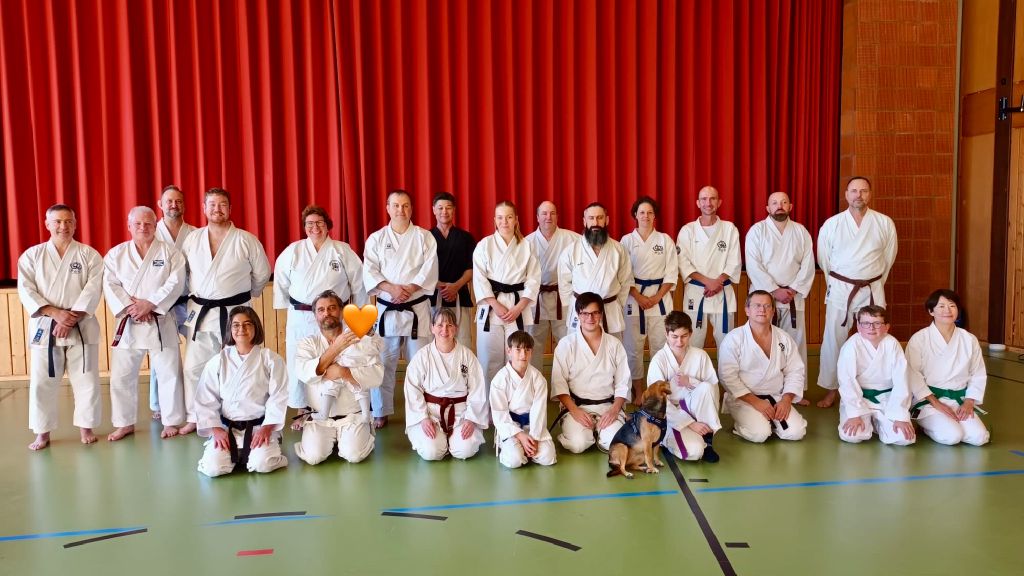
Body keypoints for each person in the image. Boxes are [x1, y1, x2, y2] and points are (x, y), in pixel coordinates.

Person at [180, 188, 271, 434]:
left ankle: (234, 415)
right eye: (212, 205)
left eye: (222, 205)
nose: (217, 209)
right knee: (193, 367)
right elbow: (184, 273)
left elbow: (262, 274)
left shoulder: (245, 239)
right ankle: (195, 416)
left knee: (235, 366)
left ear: (230, 209)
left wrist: (243, 298)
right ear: (203, 208)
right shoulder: (192, 239)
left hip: (235, 313)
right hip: (200, 311)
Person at [17, 205, 104, 450]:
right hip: (46, 326)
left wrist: (70, 318)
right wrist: (55, 313)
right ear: (47, 224)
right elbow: (26, 289)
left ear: (75, 224)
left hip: (81, 325)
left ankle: (86, 427)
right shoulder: (32, 256)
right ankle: (42, 432)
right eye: (57, 222)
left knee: (86, 379)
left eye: (68, 222)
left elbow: (93, 288)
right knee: (42, 381)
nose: (63, 226)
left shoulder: (89, 255)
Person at [103, 206, 187, 441]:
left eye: (148, 223)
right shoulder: (115, 254)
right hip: (129, 321)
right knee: (122, 375)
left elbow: (175, 283)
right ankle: (124, 423)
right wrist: (133, 308)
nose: (143, 227)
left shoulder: (170, 253)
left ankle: (170, 421)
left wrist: (150, 304)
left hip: (160, 319)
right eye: (138, 224)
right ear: (129, 226)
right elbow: (110, 284)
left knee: (169, 372)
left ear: (155, 225)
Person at [274, 205, 365, 413]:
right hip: (301, 314)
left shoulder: (341, 250)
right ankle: (302, 407)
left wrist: (358, 313)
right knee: (300, 359)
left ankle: (332, 406)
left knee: (334, 356)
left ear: (327, 226)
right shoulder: (293, 251)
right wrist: (287, 304)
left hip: (332, 316)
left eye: (320, 223)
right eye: (310, 224)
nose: (315, 228)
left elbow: (358, 283)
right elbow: (280, 280)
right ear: (304, 227)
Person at [816, 176, 898, 408]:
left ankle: (874, 386)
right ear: (846, 194)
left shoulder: (884, 223)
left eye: (863, 191)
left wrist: (875, 282)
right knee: (834, 338)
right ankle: (832, 389)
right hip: (841, 286)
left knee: (875, 337)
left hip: (872, 287)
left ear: (869, 194)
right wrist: (839, 280)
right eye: (854, 191)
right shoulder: (832, 224)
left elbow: (888, 258)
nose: (858, 195)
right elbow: (824, 259)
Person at [363, 189, 439, 428]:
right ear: (387, 208)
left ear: (411, 209)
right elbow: (370, 270)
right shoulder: (376, 239)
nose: (401, 210)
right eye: (395, 205)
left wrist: (411, 287)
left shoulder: (424, 236)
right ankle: (381, 410)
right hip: (387, 309)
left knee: (421, 363)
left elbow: (430, 268)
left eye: (405, 205)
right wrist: (390, 288)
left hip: (417, 307)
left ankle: (422, 411)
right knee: (384, 362)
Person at [194, 306, 288, 477]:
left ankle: (275, 453)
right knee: (213, 469)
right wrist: (216, 430)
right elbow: (205, 398)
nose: (241, 329)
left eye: (247, 324)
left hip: (259, 427)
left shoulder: (270, 359)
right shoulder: (218, 361)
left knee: (263, 465)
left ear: (256, 327)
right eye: (236, 325)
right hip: (226, 428)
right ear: (230, 329)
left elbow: (278, 396)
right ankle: (228, 455)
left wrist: (267, 428)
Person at [293, 290, 383, 465]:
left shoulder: (360, 338)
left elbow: (376, 375)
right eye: (321, 310)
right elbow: (304, 373)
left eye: (332, 308)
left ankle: (361, 430)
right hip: (320, 416)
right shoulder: (308, 343)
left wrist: (344, 372)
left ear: (341, 311)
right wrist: (336, 348)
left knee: (354, 455)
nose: (327, 313)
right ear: (315, 315)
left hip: (353, 416)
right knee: (314, 457)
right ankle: (329, 437)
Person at [718, 291, 807, 442]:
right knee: (760, 434)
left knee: (796, 433)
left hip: (775, 397)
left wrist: (786, 400)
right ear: (747, 310)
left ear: (773, 310)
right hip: (743, 398)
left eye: (767, 306)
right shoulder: (734, 339)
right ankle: (741, 425)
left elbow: (795, 371)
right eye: (757, 305)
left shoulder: (784, 338)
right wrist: (756, 402)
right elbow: (727, 376)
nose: (762, 310)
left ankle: (770, 421)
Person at [905, 289, 989, 446]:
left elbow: (978, 373)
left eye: (952, 306)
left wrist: (969, 402)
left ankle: (952, 423)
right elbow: (913, 375)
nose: (948, 311)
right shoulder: (919, 339)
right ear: (931, 311)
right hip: (930, 402)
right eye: (941, 306)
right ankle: (925, 427)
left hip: (960, 401)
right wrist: (936, 403)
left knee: (979, 438)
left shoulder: (969, 339)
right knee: (952, 436)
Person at [404, 308, 489, 460]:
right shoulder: (422, 356)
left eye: (449, 325)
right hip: (431, 413)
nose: (445, 330)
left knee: (465, 451)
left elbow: (478, 389)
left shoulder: (467, 355)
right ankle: (442, 442)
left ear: (455, 329)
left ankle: (452, 441)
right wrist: (423, 418)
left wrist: (471, 418)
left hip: (461, 413)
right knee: (432, 452)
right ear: (432, 328)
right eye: (440, 325)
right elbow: (412, 389)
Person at [550, 292, 629, 453]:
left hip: (608, 405)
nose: (590, 318)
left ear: (601, 314)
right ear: (578, 315)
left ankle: (601, 432)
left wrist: (614, 410)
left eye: (595, 313)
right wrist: (574, 410)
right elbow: (559, 384)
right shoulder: (566, 345)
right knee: (578, 444)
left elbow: (623, 383)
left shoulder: (614, 345)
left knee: (615, 443)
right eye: (585, 313)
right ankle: (586, 432)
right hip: (577, 406)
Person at [744, 191, 815, 370]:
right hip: (763, 297)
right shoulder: (757, 231)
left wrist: (793, 289)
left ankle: (795, 390)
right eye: (774, 203)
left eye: (784, 202)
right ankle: (763, 387)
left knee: (794, 343)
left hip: (793, 296)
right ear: (768, 208)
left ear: (790, 207)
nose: (779, 206)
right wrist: (774, 291)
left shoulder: (801, 232)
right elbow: (753, 265)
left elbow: (808, 264)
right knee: (761, 340)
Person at [473, 201, 540, 383]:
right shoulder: (484, 245)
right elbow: (479, 278)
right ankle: (489, 409)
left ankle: (515, 407)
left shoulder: (527, 246)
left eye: (509, 217)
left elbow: (534, 279)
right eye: (500, 218)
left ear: (516, 220)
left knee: (517, 360)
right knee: (489, 361)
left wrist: (519, 307)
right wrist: (494, 304)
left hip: (518, 308)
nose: (505, 222)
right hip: (491, 308)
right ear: (495, 220)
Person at [621, 196, 677, 401]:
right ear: (635, 215)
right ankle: (636, 389)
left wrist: (655, 297)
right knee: (632, 347)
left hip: (660, 301)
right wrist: (638, 296)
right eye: (642, 212)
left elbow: (672, 273)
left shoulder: (665, 240)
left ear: (655, 216)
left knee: (660, 345)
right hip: (633, 299)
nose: (646, 216)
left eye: (650, 212)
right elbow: (623, 274)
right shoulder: (626, 241)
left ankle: (656, 389)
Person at [646, 312, 721, 462]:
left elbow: (712, 391)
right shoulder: (659, 360)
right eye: (675, 336)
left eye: (684, 336)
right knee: (695, 452)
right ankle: (664, 439)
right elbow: (657, 402)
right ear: (666, 334)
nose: (679, 342)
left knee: (706, 387)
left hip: (695, 411)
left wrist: (690, 382)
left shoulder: (700, 356)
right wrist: (690, 424)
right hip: (669, 416)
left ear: (691, 334)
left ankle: (708, 440)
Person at [836, 305, 915, 445]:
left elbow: (902, 380)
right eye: (866, 323)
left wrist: (900, 415)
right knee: (852, 436)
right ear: (858, 326)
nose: (871, 328)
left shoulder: (892, 344)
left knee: (904, 438)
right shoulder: (851, 346)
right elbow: (846, 381)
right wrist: (855, 413)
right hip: (859, 397)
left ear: (886, 327)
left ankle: (878, 424)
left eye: (877, 323)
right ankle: (867, 420)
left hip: (886, 397)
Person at [150, 184, 196, 420]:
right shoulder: (152, 233)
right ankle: (158, 404)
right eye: (169, 201)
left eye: (178, 201)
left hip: (189, 302)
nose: (173, 205)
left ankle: (197, 400)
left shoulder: (196, 233)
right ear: (160, 204)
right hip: (161, 303)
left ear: (184, 205)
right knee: (161, 353)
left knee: (197, 351)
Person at [676, 186, 742, 349]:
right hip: (696, 292)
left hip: (722, 291)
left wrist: (717, 282)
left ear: (719, 202)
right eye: (704, 199)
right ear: (698, 203)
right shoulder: (687, 230)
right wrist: (708, 282)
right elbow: (682, 262)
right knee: (692, 344)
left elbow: (734, 260)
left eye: (712, 199)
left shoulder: (729, 229)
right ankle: (693, 375)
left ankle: (726, 376)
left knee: (727, 344)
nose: (708, 203)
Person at [557, 203, 632, 339]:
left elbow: (625, 282)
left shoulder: (618, 250)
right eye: (591, 218)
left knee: (612, 354)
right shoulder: (572, 250)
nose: (595, 222)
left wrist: (616, 304)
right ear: (584, 221)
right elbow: (564, 284)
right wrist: (574, 308)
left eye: (599, 218)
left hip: (609, 311)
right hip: (581, 311)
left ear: (607, 220)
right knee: (578, 353)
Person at [525, 201, 580, 375]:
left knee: (567, 342)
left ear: (557, 216)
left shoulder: (573, 239)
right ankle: (534, 386)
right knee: (533, 343)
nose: (548, 217)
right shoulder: (527, 242)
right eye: (544, 213)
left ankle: (567, 388)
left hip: (563, 298)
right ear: (537, 217)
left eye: (552, 213)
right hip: (536, 299)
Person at [489, 331, 557, 468]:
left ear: (531, 352)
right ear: (509, 351)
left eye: (527, 350)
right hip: (511, 426)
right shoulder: (500, 380)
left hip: (533, 426)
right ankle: (513, 448)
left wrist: (535, 438)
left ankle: (527, 448)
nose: (523, 354)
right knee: (514, 460)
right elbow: (500, 414)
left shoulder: (538, 379)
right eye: (518, 349)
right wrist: (520, 436)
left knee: (548, 457)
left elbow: (539, 411)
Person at [429, 192, 476, 348]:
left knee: (463, 341)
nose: (444, 211)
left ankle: (464, 372)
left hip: (459, 295)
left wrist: (456, 286)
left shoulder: (466, 237)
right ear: (433, 210)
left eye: (448, 207)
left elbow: (471, 268)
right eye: (440, 208)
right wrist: (440, 286)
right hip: (433, 296)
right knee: (435, 341)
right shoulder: (425, 237)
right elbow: (420, 270)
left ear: (454, 210)